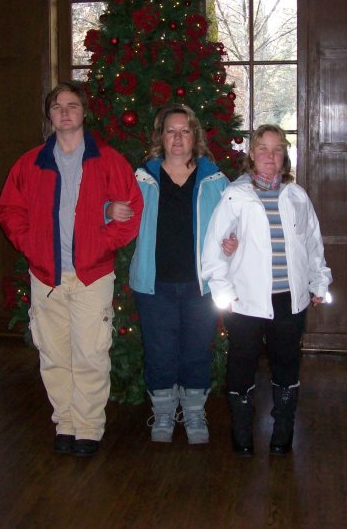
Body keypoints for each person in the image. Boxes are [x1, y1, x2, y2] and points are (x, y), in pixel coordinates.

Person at [0, 82, 143, 457]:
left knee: (91, 354)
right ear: (50, 115)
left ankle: (89, 427)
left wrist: (99, 244)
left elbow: (131, 211)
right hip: (46, 276)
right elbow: (9, 209)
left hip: (91, 276)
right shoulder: (30, 163)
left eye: (72, 105)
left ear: (83, 113)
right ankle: (66, 423)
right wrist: (32, 245)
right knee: (54, 354)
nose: (64, 112)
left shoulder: (108, 161)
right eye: (57, 106)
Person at [202, 123, 332, 457]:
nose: (270, 156)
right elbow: (214, 250)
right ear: (252, 155)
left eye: (277, 149)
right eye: (263, 148)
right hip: (245, 301)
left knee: (286, 366)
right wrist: (223, 293)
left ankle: (283, 429)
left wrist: (318, 281)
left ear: (284, 155)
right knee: (241, 367)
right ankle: (242, 430)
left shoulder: (296, 196)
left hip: (289, 300)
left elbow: (312, 244)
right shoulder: (235, 196)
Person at [129, 104, 237, 445]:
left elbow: (238, 223)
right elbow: (110, 208)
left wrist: (233, 243)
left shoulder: (216, 181)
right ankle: (162, 414)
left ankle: (193, 412)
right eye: (171, 130)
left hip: (200, 286)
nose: (177, 138)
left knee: (196, 351)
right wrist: (109, 209)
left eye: (184, 131)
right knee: (159, 351)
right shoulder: (142, 178)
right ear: (161, 136)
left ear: (195, 137)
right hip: (153, 284)